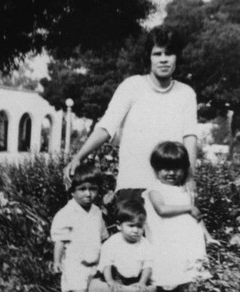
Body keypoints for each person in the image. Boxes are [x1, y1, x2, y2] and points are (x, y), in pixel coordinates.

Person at [65, 24, 198, 203]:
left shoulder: (186, 93)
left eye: (169, 53)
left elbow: (190, 137)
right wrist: (79, 157)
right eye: (157, 54)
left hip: (171, 188)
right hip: (133, 186)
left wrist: (189, 177)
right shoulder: (131, 86)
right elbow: (106, 127)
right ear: (149, 58)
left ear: (177, 57)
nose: (164, 59)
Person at [142, 141, 218, 292]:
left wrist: (208, 237)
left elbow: (197, 217)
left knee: (190, 282)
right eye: (165, 169)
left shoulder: (185, 191)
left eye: (176, 168)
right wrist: (188, 207)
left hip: (188, 245)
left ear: (184, 169)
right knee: (169, 284)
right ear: (156, 169)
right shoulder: (154, 190)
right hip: (167, 245)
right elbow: (161, 209)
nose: (171, 173)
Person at [44, 163, 108, 292]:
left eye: (93, 189)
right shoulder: (67, 213)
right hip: (74, 263)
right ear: (72, 191)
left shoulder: (96, 212)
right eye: (82, 189)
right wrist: (57, 261)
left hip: (92, 264)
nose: (88, 194)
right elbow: (60, 240)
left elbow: (102, 236)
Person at [98, 199, 153, 290]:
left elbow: (148, 265)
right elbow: (106, 263)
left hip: (136, 278)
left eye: (139, 226)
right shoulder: (113, 242)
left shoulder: (144, 243)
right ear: (119, 225)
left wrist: (142, 282)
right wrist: (110, 281)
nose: (135, 230)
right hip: (116, 277)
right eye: (131, 226)